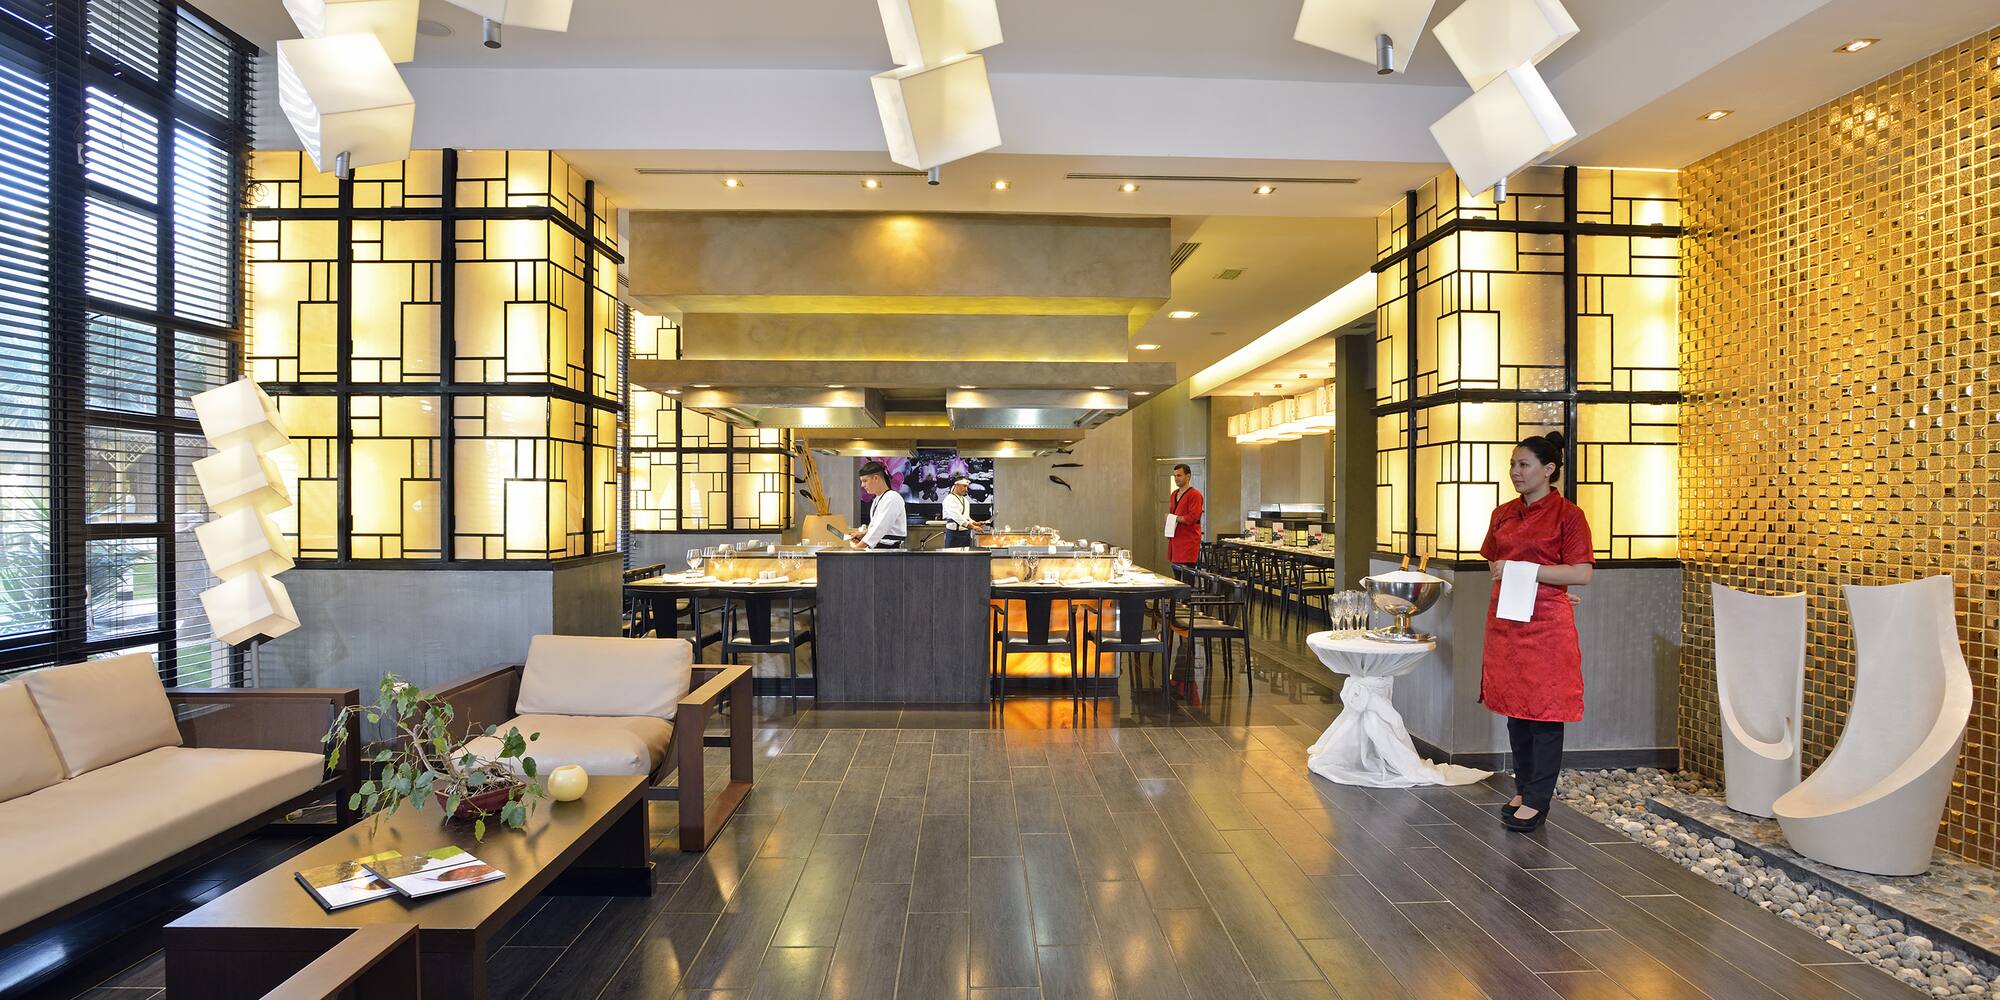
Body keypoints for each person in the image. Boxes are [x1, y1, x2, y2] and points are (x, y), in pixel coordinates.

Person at [1479, 431, 1594, 832]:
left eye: (1523, 465)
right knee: (1516, 711)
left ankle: (1540, 798)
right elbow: (1495, 564)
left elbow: (1581, 573)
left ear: (1549, 470)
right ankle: (1524, 787)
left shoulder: (1569, 516)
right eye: (1513, 464)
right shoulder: (1504, 513)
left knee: (1545, 712)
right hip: (1507, 620)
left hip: (1546, 625)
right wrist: (1524, 578)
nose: (1515, 472)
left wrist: (1539, 580)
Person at [848, 461, 907, 549]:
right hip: (879, 549)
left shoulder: (892, 498)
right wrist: (863, 534)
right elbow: (875, 527)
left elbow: (879, 529)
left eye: (865, 481)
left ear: (876, 478)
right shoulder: (878, 499)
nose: (862, 485)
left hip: (888, 551)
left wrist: (857, 549)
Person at [1167, 463, 1203, 565]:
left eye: (1179, 475)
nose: (1176, 478)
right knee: (1176, 577)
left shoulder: (1195, 495)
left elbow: (1193, 518)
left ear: (1188, 476)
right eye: (1175, 476)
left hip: (1188, 541)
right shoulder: (1174, 494)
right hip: (1175, 540)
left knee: (1187, 577)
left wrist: (1173, 518)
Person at [941, 476, 985, 548]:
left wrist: (975, 523)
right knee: (952, 557)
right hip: (954, 534)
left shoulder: (965, 500)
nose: (966, 489)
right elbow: (958, 518)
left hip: (965, 533)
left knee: (965, 558)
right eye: (964, 486)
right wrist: (973, 527)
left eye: (967, 487)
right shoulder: (949, 499)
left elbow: (966, 517)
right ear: (956, 485)